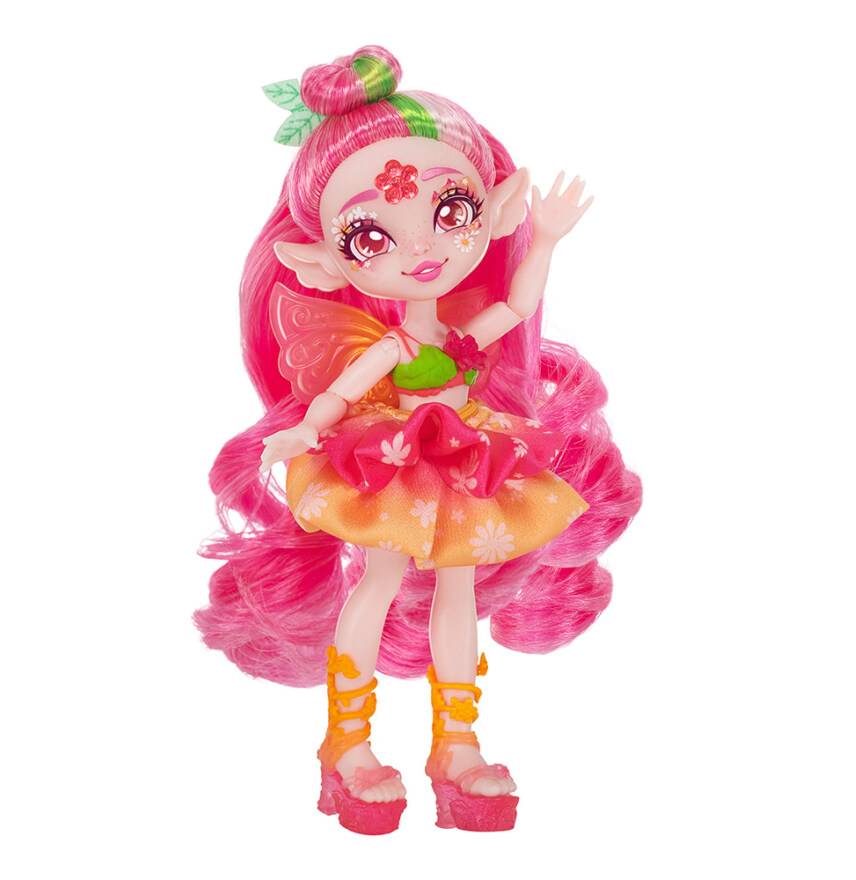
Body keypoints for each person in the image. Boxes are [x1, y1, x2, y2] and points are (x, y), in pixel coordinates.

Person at [196, 46, 642, 834]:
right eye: (372, 237)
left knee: (457, 587)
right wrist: (302, 430)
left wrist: (543, 240)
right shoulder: (395, 346)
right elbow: (339, 394)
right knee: (377, 581)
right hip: (392, 460)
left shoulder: (460, 337)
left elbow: (513, 311)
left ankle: (456, 746)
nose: (423, 250)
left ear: (493, 212)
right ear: (321, 263)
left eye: (453, 212)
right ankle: (346, 744)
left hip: (466, 458)